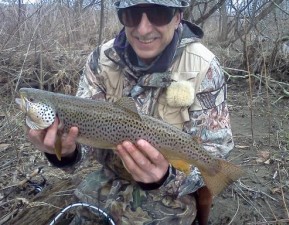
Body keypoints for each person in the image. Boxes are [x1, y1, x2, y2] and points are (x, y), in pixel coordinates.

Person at [27, 0, 234, 224]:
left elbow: (216, 151)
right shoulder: (100, 60)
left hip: (172, 192)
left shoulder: (204, 66)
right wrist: (65, 153)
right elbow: (84, 147)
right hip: (109, 181)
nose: (143, 29)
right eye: (132, 15)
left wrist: (165, 178)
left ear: (177, 17)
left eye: (158, 13)